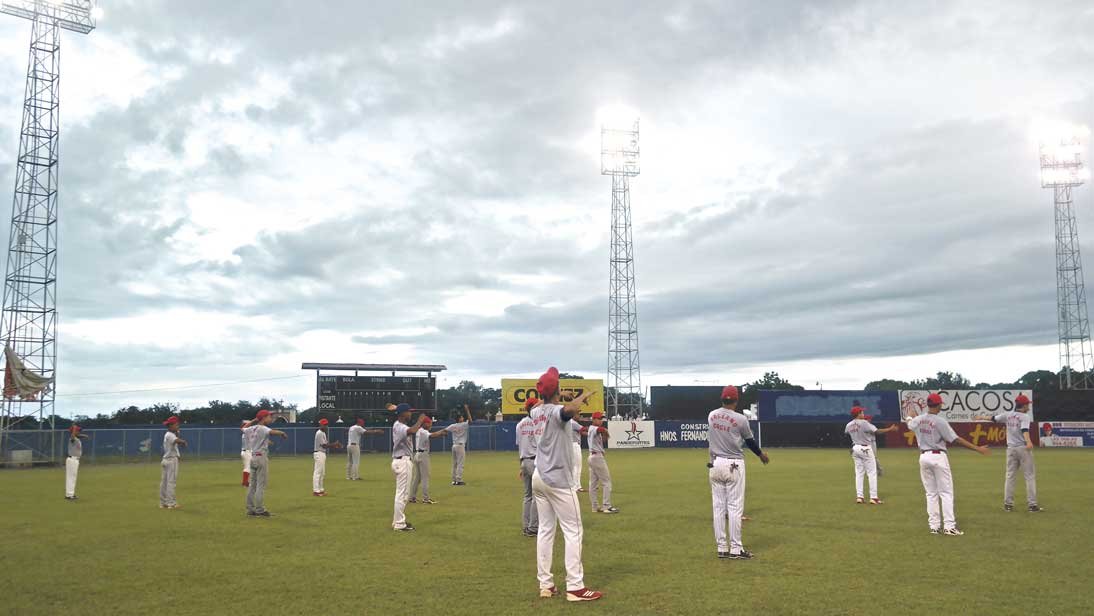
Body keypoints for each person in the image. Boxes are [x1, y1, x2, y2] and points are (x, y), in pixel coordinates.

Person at [530, 366, 602, 602]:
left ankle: (546, 585)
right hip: (558, 480)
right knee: (573, 531)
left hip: (539, 477)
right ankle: (575, 587)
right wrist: (581, 397)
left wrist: (560, 396)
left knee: (546, 530)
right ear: (556, 390)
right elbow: (569, 410)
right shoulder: (554, 412)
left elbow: (548, 405)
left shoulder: (536, 412)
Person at [907, 393, 990, 535]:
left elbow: (909, 424)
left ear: (928, 404)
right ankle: (949, 526)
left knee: (931, 493)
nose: (941, 406)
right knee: (946, 493)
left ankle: (934, 526)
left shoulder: (918, 420)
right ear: (938, 405)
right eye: (940, 404)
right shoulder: (940, 421)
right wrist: (977, 449)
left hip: (923, 457)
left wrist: (910, 416)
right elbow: (955, 439)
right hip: (938, 456)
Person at [708, 385, 769, 560]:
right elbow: (749, 441)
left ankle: (721, 548)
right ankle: (736, 549)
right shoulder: (741, 419)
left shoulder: (711, 415)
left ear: (722, 398)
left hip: (715, 463)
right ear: (736, 400)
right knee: (734, 508)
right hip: (733, 464)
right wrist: (760, 455)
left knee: (718, 508)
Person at [975, 394, 1043, 512]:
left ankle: (1008, 505)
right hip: (1023, 448)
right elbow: (1025, 430)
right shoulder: (1024, 416)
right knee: (1029, 476)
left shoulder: (1008, 415)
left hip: (1011, 449)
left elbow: (994, 418)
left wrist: (981, 417)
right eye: (1028, 404)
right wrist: (1029, 442)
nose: (1029, 406)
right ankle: (1032, 505)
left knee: (1010, 476)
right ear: (1024, 405)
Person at [844, 407, 898, 504]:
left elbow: (847, 434)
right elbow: (877, 431)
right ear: (859, 414)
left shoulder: (848, 424)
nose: (863, 413)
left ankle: (859, 497)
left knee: (859, 473)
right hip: (865, 448)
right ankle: (874, 498)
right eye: (862, 412)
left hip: (855, 448)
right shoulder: (864, 423)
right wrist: (889, 429)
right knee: (872, 473)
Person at [242, 410, 288, 517]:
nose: (271, 418)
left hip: (252, 457)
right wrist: (282, 433)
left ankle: (250, 509)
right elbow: (272, 432)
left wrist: (254, 420)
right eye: (269, 416)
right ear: (263, 418)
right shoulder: (263, 428)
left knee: (252, 485)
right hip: (261, 457)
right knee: (260, 485)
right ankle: (260, 509)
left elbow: (243, 428)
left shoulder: (251, 429)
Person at [391, 403, 429, 531]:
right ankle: (399, 524)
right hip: (403, 461)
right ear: (403, 414)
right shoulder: (400, 426)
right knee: (402, 495)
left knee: (400, 494)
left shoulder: (397, 425)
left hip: (399, 461)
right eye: (409, 411)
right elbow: (412, 431)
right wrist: (420, 420)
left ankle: (397, 521)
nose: (410, 413)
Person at [408, 416, 446, 504]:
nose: (430, 425)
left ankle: (412, 497)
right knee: (425, 477)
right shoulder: (423, 431)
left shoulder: (418, 431)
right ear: (424, 423)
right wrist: (442, 431)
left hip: (417, 454)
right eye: (429, 423)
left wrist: (441, 432)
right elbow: (432, 435)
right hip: (423, 455)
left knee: (417, 478)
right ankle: (426, 498)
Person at [517, 396, 541, 537]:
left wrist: (520, 466)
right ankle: (533, 527)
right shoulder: (537, 423)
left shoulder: (519, 424)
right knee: (536, 495)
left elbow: (519, 445)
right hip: (534, 461)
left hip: (524, 460)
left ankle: (526, 526)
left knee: (527, 496)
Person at [587, 412, 617, 514]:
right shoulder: (593, 428)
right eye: (599, 419)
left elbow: (603, 438)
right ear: (594, 419)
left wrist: (605, 434)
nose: (601, 421)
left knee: (593, 484)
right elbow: (601, 429)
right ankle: (606, 506)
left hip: (593, 456)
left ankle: (595, 507)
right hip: (597, 458)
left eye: (601, 419)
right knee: (607, 482)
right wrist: (606, 431)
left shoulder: (593, 430)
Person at [159, 416, 187, 509]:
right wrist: (183, 441)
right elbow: (177, 441)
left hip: (166, 460)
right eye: (176, 424)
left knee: (164, 483)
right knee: (171, 482)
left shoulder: (169, 434)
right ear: (171, 425)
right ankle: (171, 503)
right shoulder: (170, 434)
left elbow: (176, 441)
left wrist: (178, 435)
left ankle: (163, 503)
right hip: (171, 460)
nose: (178, 426)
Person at [312, 418, 342, 496]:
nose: (326, 426)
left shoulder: (323, 433)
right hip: (319, 453)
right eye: (324, 424)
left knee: (322, 473)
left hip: (322, 453)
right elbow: (324, 445)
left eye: (326, 424)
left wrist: (335, 445)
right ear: (320, 424)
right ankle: (316, 491)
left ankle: (321, 489)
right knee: (318, 473)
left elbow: (326, 444)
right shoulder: (319, 433)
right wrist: (334, 444)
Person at [446, 404, 471, 486]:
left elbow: (445, 430)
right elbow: (470, 421)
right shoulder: (463, 424)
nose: (463, 418)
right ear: (459, 419)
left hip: (454, 446)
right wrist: (467, 410)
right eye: (461, 417)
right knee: (460, 463)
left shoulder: (453, 426)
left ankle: (454, 480)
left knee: (454, 464)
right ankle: (458, 480)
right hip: (460, 446)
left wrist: (442, 434)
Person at [65, 425, 89, 501]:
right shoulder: (72, 439)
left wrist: (83, 435)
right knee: (71, 478)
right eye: (78, 430)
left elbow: (77, 435)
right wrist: (74, 429)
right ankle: (69, 495)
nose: (79, 432)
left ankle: (70, 494)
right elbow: (73, 435)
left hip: (74, 460)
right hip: (72, 460)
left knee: (73, 478)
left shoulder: (76, 438)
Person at [569, 415, 585, 492]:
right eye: (577, 414)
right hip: (574, 445)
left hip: (571, 445)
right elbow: (583, 429)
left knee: (574, 466)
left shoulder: (569, 422)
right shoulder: (573, 422)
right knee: (577, 466)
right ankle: (576, 486)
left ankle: (576, 485)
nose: (579, 415)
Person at [240, 420, 252, 487]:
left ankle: (246, 482)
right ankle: (245, 483)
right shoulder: (246, 433)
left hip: (246, 451)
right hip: (247, 452)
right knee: (247, 468)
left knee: (248, 467)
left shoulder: (246, 433)